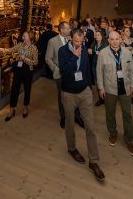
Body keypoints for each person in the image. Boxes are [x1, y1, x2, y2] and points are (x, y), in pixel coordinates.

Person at [58, 28, 105, 182]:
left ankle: (94, 162)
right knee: (70, 123)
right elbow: (64, 71)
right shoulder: (63, 51)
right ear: (71, 38)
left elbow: (86, 69)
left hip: (84, 92)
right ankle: (72, 148)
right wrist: (73, 56)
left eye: (81, 41)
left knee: (90, 126)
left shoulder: (84, 50)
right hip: (69, 93)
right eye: (76, 41)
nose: (79, 44)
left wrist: (89, 87)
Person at [97, 31, 133, 157]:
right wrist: (100, 88)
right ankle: (113, 133)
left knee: (127, 114)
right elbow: (99, 72)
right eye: (112, 39)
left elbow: (132, 70)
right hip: (109, 89)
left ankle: (129, 140)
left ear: (121, 39)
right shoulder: (103, 53)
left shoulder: (127, 52)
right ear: (108, 40)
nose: (115, 41)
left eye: (117, 39)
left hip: (125, 89)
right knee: (110, 113)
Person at [46, 22, 83, 129]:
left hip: (74, 73)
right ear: (61, 30)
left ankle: (77, 116)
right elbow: (48, 58)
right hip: (61, 74)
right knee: (62, 97)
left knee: (76, 95)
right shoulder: (52, 41)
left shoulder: (71, 39)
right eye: (67, 28)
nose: (70, 30)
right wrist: (56, 69)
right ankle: (63, 117)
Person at [3, 31, 38, 121]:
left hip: (27, 71)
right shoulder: (19, 45)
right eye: (23, 36)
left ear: (30, 37)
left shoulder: (34, 48)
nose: (23, 37)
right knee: (14, 89)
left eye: (24, 36)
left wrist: (25, 58)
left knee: (27, 89)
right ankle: (12, 110)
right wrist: (1, 50)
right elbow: (10, 50)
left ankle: (25, 108)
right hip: (18, 70)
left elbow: (35, 62)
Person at [88, 30, 108, 106]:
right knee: (97, 82)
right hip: (94, 65)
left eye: (98, 35)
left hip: (103, 66)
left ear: (102, 36)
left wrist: (93, 52)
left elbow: (103, 54)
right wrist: (95, 52)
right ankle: (101, 99)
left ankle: (106, 98)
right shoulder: (93, 44)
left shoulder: (105, 44)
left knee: (104, 82)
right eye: (96, 35)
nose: (96, 36)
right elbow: (89, 51)